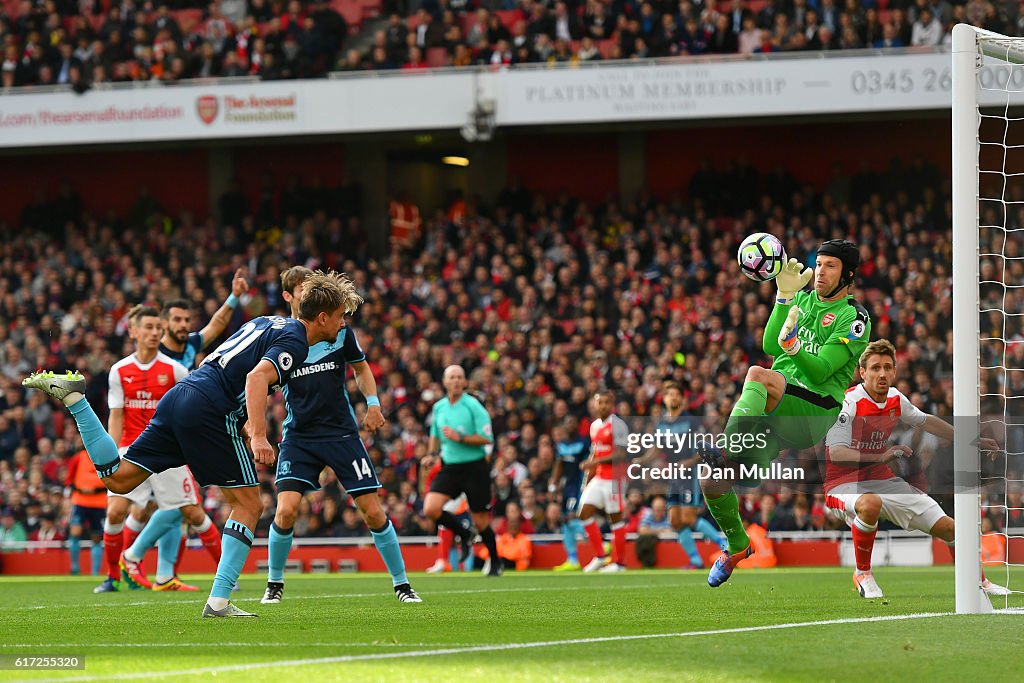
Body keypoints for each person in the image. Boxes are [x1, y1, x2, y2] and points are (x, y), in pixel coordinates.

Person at [24, 270, 355, 618]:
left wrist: (243, 419)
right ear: (322, 317)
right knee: (248, 505)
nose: (342, 323)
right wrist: (258, 433)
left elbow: (234, 363)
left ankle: (77, 401)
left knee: (117, 479)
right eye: (340, 316)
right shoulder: (297, 342)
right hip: (210, 410)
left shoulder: (268, 321)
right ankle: (219, 602)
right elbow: (256, 378)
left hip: (181, 397)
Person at [701, 239, 871, 587]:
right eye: (819, 264)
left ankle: (726, 446)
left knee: (757, 375)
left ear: (848, 274)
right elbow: (767, 345)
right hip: (777, 413)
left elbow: (822, 371)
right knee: (713, 481)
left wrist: (792, 346)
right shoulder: (803, 300)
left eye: (830, 266)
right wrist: (783, 299)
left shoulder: (854, 318)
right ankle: (737, 546)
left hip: (813, 410)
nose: (820, 272)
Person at [262, 266, 420, 605]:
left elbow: (361, 368)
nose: (305, 292)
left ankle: (403, 585)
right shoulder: (281, 339)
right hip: (299, 436)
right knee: (285, 511)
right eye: (299, 288)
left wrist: (373, 403)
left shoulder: (340, 333)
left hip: (341, 435)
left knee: (373, 512)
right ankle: (274, 584)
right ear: (290, 296)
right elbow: (260, 380)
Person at [823, 339, 1009, 599]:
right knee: (870, 504)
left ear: (895, 371)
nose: (882, 373)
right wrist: (880, 457)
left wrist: (972, 438)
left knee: (950, 528)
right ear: (862, 373)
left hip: (881, 480)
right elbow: (836, 453)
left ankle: (980, 583)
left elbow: (925, 421)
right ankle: (862, 573)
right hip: (843, 482)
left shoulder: (896, 398)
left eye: (888, 367)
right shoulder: (850, 403)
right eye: (875, 368)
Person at [102, 305, 224, 594]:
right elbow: (116, 416)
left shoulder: (175, 370)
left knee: (192, 513)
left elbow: (195, 403)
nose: (155, 332)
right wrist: (110, 456)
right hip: (131, 450)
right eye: (149, 327)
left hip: (168, 452)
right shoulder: (119, 371)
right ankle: (112, 577)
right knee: (116, 511)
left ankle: (224, 574)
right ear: (133, 331)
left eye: (159, 328)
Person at [421, 365, 501, 576]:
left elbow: (486, 438)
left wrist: (461, 438)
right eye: (452, 377)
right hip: (450, 466)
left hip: (475, 467)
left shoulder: (473, 406)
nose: (456, 381)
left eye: (459, 377)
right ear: (445, 382)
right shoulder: (439, 407)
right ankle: (464, 535)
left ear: (464, 382)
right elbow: (435, 434)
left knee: (481, 520)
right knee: (431, 508)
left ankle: (495, 561)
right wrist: (431, 454)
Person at [652, 381, 727, 568]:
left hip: (691, 474)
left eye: (677, 394)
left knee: (689, 518)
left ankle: (726, 546)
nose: (673, 397)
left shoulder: (691, 421)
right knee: (675, 520)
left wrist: (690, 462)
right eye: (670, 394)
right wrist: (642, 460)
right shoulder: (661, 424)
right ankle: (695, 560)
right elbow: (656, 448)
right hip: (674, 475)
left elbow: (704, 445)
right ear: (664, 399)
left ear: (682, 399)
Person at [578, 389, 630, 573]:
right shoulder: (594, 426)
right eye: (600, 402)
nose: (603, 406)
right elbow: (596, 451)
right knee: (583, 513)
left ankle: (620, 563)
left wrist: (594, 462)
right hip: (599, 477)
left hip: (615, 477)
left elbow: (621, 453)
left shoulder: (618, 425)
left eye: (607, 402)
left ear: (612, 404)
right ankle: (600, 556)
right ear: (595, 404)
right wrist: (588, 477)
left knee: (615, 519)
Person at [549, 420, 589, 571]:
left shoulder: (584, 443)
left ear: (577, 427)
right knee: (565, 520)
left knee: (572, 516)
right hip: (567, 487)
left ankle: (600, 543)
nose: (570, 426)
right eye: (568, 424)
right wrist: (553, 485)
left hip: (578, 486)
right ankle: (572, 559)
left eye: (573, 423)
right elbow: (559, 465)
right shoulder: (562, 445)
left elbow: (587, 464)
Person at [64, 447, 106, 577]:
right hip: (80, 501)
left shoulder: (105, 456)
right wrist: (77, 489)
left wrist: (97, 489)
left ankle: (95, 572)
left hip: (99, 502)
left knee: (96, 538)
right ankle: (74, 568)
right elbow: (69, 479)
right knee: (75, 532)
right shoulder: (78, 457)